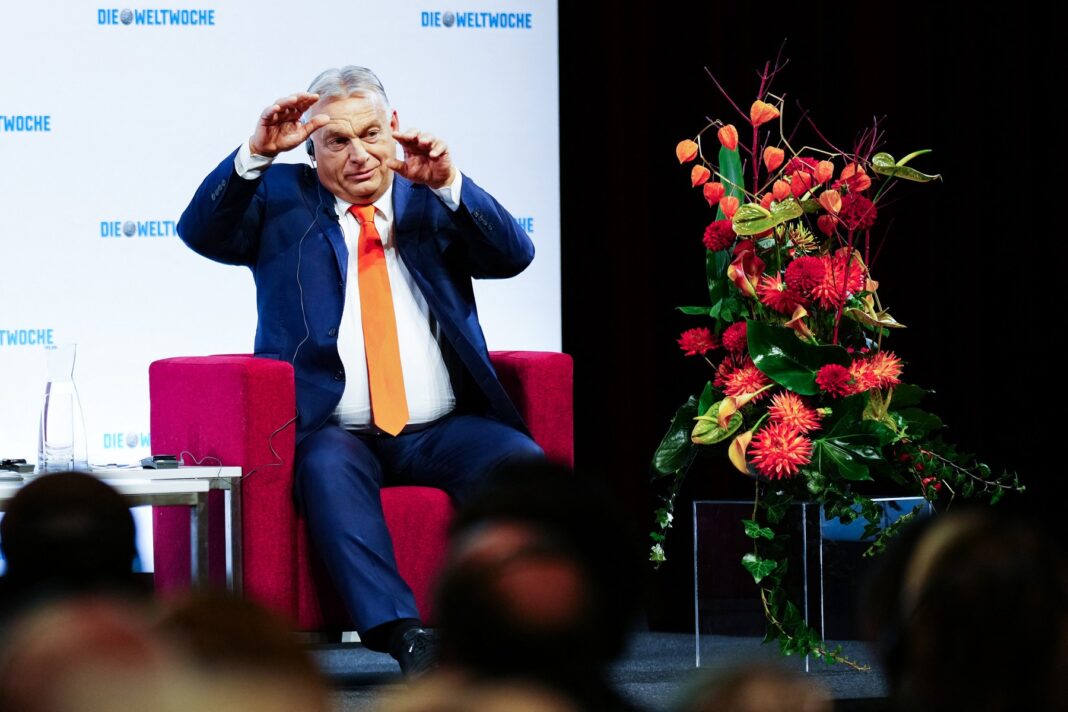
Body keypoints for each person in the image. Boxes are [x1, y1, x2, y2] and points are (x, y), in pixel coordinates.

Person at [177, 65, 545, 674]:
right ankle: (406, 636)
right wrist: (255, 155)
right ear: (310, 147)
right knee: (326, 470)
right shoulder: (280, 197)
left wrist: (452, 183)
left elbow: (514, 255)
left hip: (440, 429)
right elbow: (200, 232)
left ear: (393, 126)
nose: (359, 155)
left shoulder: (429, 194)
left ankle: (523, 627)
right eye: (337, 141)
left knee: (523, 467)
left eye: (371, 134)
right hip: (332, 428)